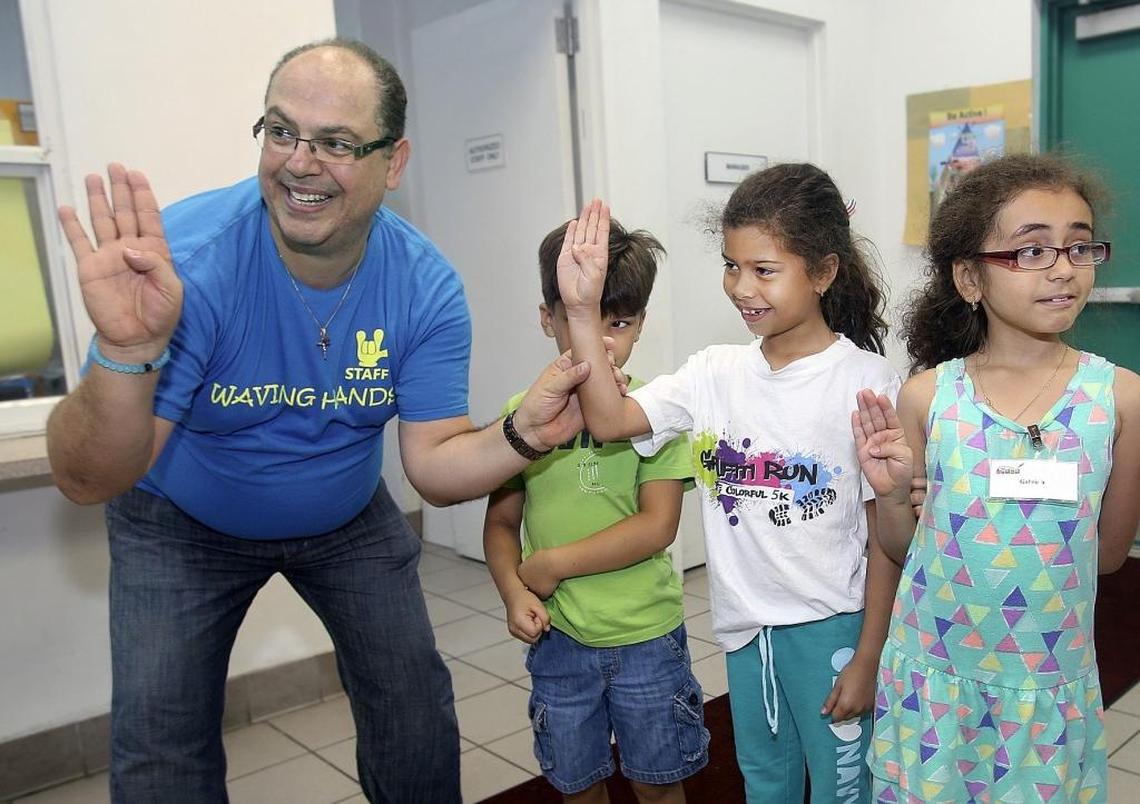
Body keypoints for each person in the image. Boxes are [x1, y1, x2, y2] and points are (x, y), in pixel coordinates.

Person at [46, 39, 592, 804]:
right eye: (281, 131)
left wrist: (521, 437)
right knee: (160, 745)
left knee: (413, 709)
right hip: (179, 517)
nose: (300, 163)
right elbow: (87, 479)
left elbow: (433, 468)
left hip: (344, 516)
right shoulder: (189, 266)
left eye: (336, 142)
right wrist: (125, 350)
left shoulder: (423, 284)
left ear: (393, 163)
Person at [555, 163, 904, 803]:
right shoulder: (713, 372)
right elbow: (608, 419)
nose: (740, 287)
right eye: (730, 265)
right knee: (765, 784)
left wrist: (868, 656)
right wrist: (581, 309)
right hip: (746, 631)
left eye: (764, 270)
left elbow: (884, 540)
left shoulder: (867, 382)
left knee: (843, 792)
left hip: (833, 629)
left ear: (823, 272)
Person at [853, 152, 1140, 802]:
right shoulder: (929, 398)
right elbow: (904, 547)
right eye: (1032, 251)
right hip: (934, 673)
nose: (1064, 267)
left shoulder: (1121, 400)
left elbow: (1113, 555)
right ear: (970, 278)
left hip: (1043, 684)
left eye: (1078, 246)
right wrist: (894, 492)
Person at [483, 218, 707, 803]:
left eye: (621, 322)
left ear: (641, 325)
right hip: (558, 640)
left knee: (659, 786)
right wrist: (515, 591)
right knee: (578, 784)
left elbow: (657, 527)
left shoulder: (655, 412)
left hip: (647, 638)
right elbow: (502, 523)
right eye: (581, 319)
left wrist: (554, 563)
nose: (602, 339)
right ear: (548, 318)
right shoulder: (521, 414)